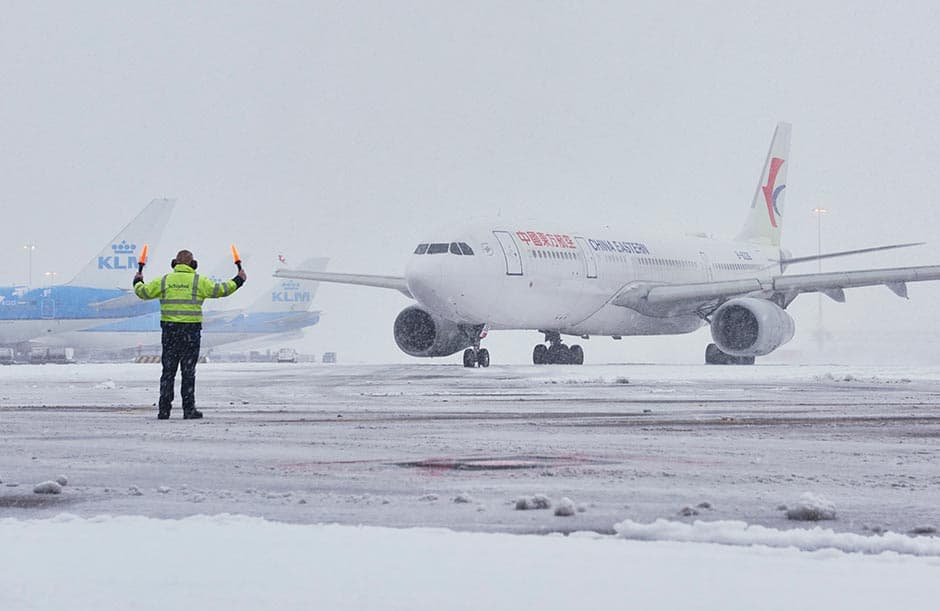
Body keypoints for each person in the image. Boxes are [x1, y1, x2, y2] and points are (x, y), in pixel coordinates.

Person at [133, 249, 246, 419]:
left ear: (174, 264)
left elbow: (143, 293)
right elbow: (222, 290)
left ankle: (164, 410)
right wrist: (239, 280)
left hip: (170, 332)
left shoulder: (164, 281)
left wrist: (137, 281)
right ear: (193, 264)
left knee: (168, 372)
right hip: (191, 333)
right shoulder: (199, 282)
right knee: (188, 372)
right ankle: (188, 409)